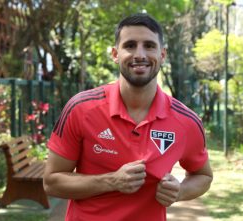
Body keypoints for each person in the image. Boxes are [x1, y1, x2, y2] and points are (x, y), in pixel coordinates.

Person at [43, 13, 213, 221]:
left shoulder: (186, 121)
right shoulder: (81, 108)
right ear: (115, 54)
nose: (139, 54)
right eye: (130, 45)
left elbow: (203, 176)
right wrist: (112, 181)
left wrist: (180, 191)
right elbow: (51, 182)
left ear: (162, 55)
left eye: (149, 46)